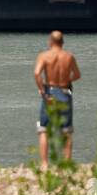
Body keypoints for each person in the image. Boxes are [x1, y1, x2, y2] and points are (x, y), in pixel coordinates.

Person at [33, 30, 81, 169]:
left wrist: (42, 90)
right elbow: (77, 74)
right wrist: (67, 80)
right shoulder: (69, 56)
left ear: (50, 41)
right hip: (65, 92)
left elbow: (37, 73)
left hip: (50, 92)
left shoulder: (44, 56)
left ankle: (44, 163)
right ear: (62, 42)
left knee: (44, 129)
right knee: (66, 130)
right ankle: (66, 163)